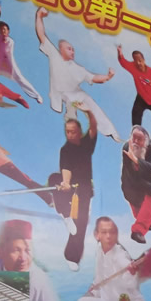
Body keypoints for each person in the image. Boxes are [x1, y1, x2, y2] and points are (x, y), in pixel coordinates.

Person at [35, 6, 119, 141]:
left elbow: (94, 78)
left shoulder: (77, 68)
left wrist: (108, 77)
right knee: (71, 102)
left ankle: (110, 131)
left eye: (73, 49)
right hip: (60, 92)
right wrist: (39, 16)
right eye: (69, 49)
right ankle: (72, 127)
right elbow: (41, 35)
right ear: (61, 49)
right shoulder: (55, 55)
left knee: (88, 100)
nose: (72, 51)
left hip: (75, 93)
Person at [76, 216, 151, 301]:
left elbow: (128, 275)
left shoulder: (120, 254)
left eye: (112, 232)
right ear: (97, 235)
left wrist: (131, 271)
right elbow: (99, 279)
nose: (108, 236)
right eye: (104, 232)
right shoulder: (99, 251)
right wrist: (93, 289)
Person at [49, 103, 97, 271]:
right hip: (69, 186)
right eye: (67, 132)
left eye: (73, 131)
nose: (70, 135)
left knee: (80, 225)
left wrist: (88, 111)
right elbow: (66, 168)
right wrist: (66, 182)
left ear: (79, 131)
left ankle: (72, 257)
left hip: (84, 190)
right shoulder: (65, 150)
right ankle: (65, 214)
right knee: (53, 178)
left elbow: (93, 127)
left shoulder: (87, 143)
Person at [0, 21, 42, 104]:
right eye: (1, 29)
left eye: (4, 29)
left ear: (8, 31)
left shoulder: (10, 41)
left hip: (8, 63)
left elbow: (5, 50)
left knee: (20, 79)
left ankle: (36, 95)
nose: (3, 31)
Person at [121, 124, 151, 244]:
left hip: (147, 186)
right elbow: (132, 176)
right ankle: (149, 221)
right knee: (139, 213)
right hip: (130, 186)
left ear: (146, 142)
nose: (136, 142)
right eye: (134, 138)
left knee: (150, 199)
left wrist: (137, 160)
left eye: (140, 139)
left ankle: (138, 231)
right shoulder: (126, 148)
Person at [117, 46, 151, 130]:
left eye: (140, 61)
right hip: (141, 98)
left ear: (144, 60)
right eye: (135, 61)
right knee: (135, 112)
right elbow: (123, 63)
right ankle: (136, 131)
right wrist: (120, 53)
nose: (138, 63)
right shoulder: (133, 67)